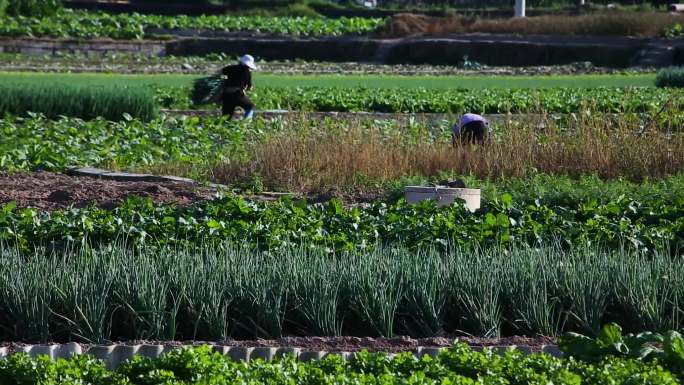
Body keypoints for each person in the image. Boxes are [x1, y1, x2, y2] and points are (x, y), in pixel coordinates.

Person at [221, 54, 258, 120]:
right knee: (250, 106)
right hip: (237, 95)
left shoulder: (230, 68)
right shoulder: (246, 71)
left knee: (226, 116)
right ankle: (246, 123)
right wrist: (245, 90)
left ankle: (223, 127)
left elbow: (219, 73)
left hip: (226, 95)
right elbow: (249, 87)